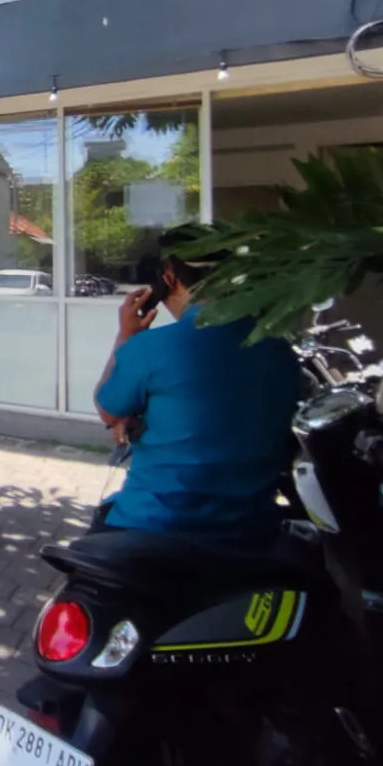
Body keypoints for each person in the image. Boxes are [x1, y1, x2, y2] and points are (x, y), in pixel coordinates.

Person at [92, 227, 301, 543]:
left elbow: (108, 410)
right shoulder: (278, 348)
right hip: (251, 526)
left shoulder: (151, 348)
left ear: (168, 278)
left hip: (155, 524)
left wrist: (125, 337)